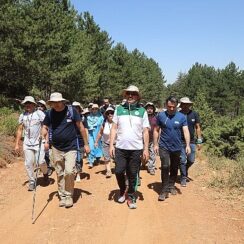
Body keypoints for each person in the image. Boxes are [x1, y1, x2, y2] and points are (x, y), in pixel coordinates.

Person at [42, 92, 90, 208]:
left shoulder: (72, 111)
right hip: (56, 147)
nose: (56, 104)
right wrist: (43, 133)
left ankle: (69, 195)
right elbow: (45, 126)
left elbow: (81, 128)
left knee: (69, 171)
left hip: (71, 146)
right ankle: (62, 195)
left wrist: (86, 144)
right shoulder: (49, 113)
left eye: (58, 102)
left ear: (62, 101)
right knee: (59, 172)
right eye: (54, 102)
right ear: (51, 103)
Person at [110, 85, 150, 209]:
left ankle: (131, 196)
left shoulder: (142, 111)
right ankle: (123, 190)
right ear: (125, 95)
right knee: (118, 171)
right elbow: (114, 128)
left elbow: (145, 131)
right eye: (128, 94)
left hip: (136, 148)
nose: (130, 96)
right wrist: (111, 145)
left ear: (138, 96)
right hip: (121, 147)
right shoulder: (119, 109)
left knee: (133, 174)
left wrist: (145, 149)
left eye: (133, 94)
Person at [154, 96, 190, 201]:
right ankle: (164, 190)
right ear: (166, 105)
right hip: (164, 146)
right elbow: (156, 130)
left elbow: (186, 131)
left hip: (177, 147)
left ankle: (171, 185)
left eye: (173, 107)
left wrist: (187, 145)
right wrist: (155, 144)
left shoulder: (182, 117)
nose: (171, 109)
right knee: (165, 166)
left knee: (174, 167)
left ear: (176, 106)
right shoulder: (161, 116)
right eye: (169, 106)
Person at [15, 96, 49, 191]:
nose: (28, 105)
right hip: (27, 143)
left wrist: (46, 141)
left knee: (41, 161)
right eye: (26, 103)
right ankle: (32, 181)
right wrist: (17, 144)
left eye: (30, 103)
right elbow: (19, 130)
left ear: (34, 104)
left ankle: (45, 173)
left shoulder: (39, 114)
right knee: (28, 163)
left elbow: (45, 126)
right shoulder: (23, 116)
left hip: (39, 142)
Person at [179, 97, 202, 186]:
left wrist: (199, 140)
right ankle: (183, 177)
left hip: (192, 141)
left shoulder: (194, 114)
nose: (185, 105)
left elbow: (197, 127)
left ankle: (184, 170)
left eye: (187, 104)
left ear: (189, 105)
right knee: (182, 160)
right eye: (183, 104)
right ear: (181, 105)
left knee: (191, 160)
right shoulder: (178, 114)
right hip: (180, 141)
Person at [95, 107, 115, 178]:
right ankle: (108, 171)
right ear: (106, 114)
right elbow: (100, 133)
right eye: (108, 113)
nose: (110, 114)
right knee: (106, 158)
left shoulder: (117, 123)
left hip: (116, 144)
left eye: (112, 113)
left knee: (117, 158)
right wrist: (96, 142)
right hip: (106, 143)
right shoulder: (104, 123)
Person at [72, 101, 87, 182]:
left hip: (80, 140)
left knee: (79, 158)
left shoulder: (83, 118)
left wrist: (86, 143)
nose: (75, 109)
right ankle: (74, 171)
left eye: (77, 107)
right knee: (72, 157)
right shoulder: (69, 117)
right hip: (71, 140)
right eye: (73, 107)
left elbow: (85, 130)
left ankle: (78, 173)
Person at [87, 104, 104, 168]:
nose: (94, 110)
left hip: (98, 132)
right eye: (93, 109)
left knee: (98, 146)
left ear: (98, 109)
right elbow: (87, 125)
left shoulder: (101, 117)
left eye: (96, 109)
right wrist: (91, 127)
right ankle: (90, 161)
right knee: (91, 146)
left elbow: (102, 125)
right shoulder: (88, 117)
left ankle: (97, 159)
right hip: (91, 133)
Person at [144, 102, 157, 175]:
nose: (149, 110)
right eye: (148, 108)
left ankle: (151, 167)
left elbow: (158, 129)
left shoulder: (156, 118)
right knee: (142, 154)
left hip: (152, 139)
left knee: (152, 153)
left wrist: (157, 139)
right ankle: (143, 163)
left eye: (151, 108)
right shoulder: (142, 117)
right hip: (142, 139)